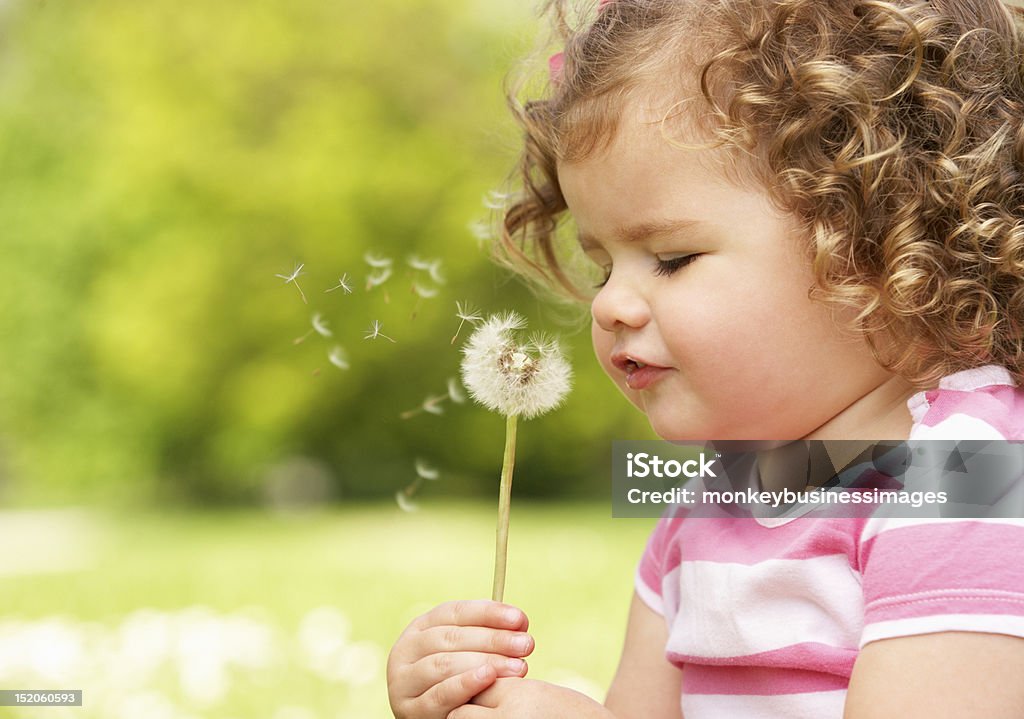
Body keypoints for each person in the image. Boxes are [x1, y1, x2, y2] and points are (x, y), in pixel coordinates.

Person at [386, 0, 1024, 716]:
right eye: (603, 266)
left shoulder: (970, 481)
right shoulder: (708, 505)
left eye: (671, 258)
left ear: (880, 239)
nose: (609, 305)